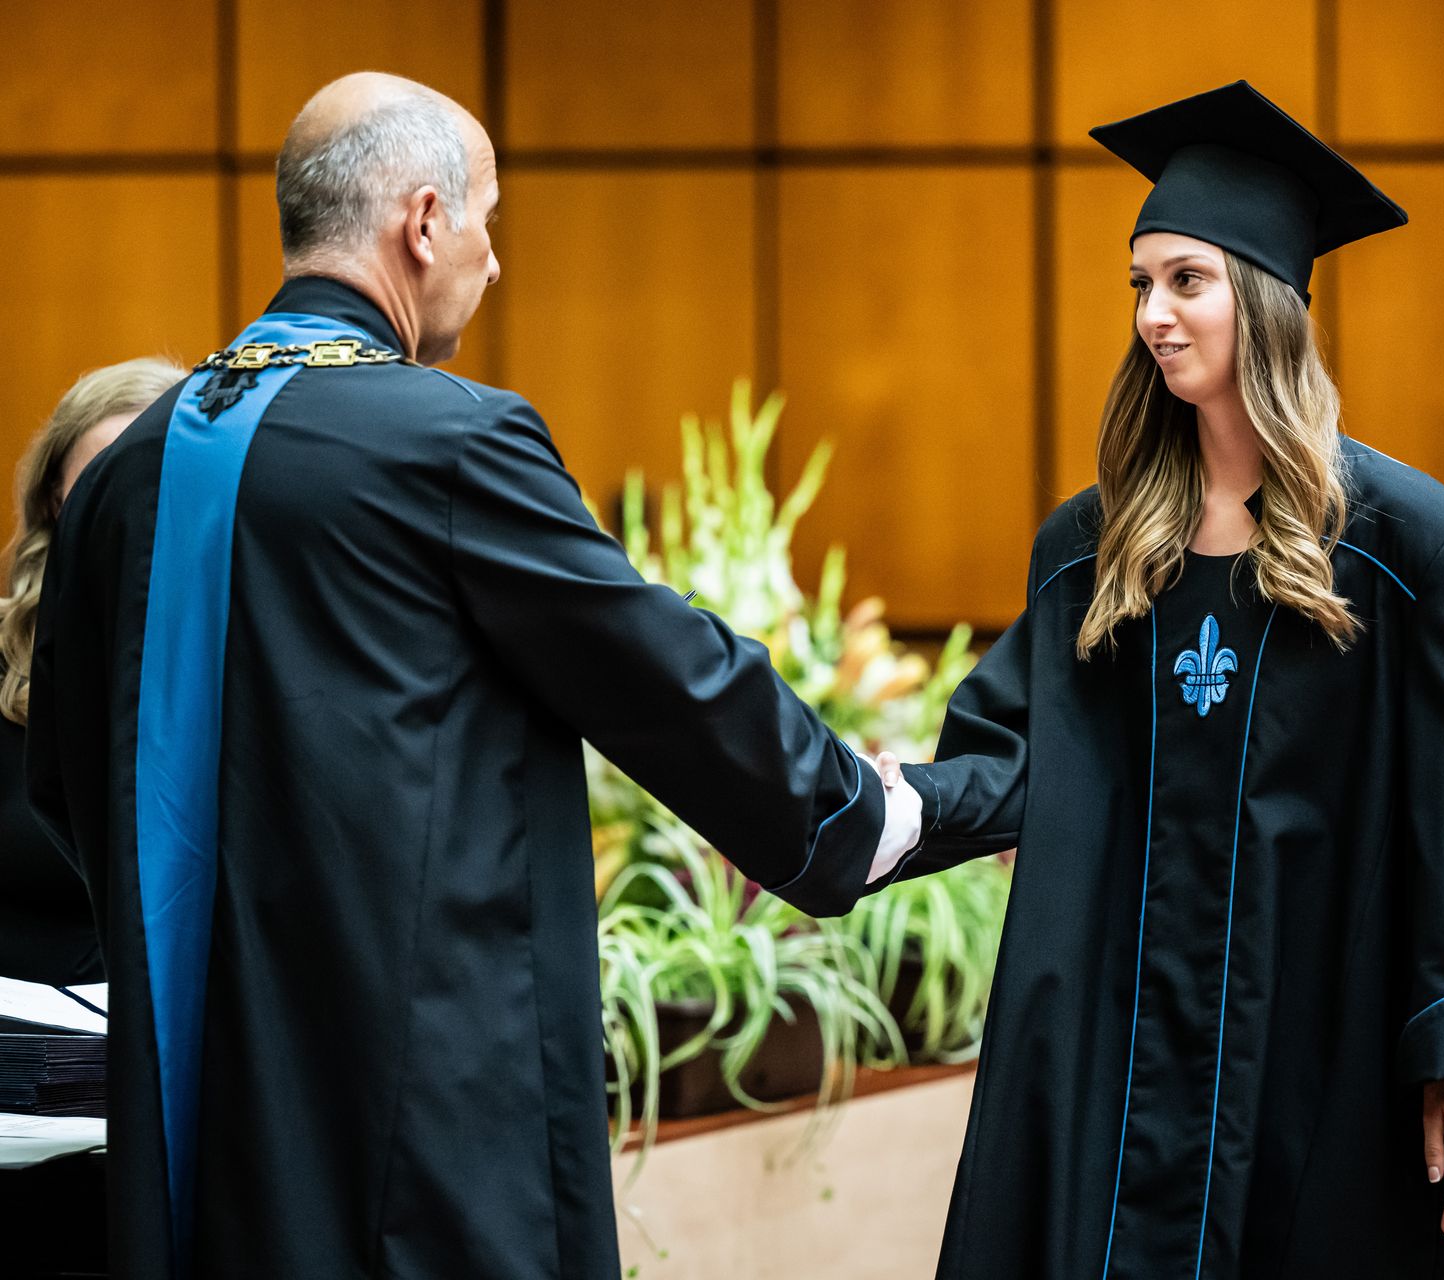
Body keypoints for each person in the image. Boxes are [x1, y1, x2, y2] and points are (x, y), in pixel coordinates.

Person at [27, 73, 918, 1280]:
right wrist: (858, 813)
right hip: (419, 1116)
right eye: (489, 222)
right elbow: (662, 676)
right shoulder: (450, 440)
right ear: (424, 219)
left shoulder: (126, 473)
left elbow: (63, 778)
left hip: (197, 1100)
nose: (493, 261)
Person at [874, 82, 1444, 1277]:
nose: (1154, 315)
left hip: (1318, 1027)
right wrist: (881, 800)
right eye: (1141, 284)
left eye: (1187, 280)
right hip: (1124, 1034)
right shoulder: (1093, 550)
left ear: (1265, 301)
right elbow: (1013, 752)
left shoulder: (1411, 552)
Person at [0, 357, 184, 985]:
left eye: (158, 476)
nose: (130, 506)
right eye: (105, 476)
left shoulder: (247, 659)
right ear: (55, 497)